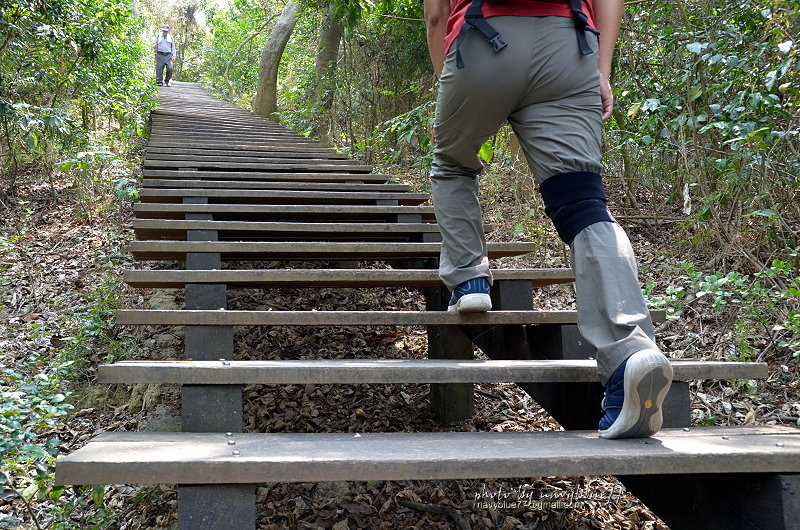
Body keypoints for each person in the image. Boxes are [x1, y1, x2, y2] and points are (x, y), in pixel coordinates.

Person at [423, 0, 673, 439]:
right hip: (570, 44)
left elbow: (436, 16)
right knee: (582, 199)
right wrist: (602, 67)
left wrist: (451, 80)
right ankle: (629, 347)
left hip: (483, 40)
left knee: (451, 164)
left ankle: (469, 281)